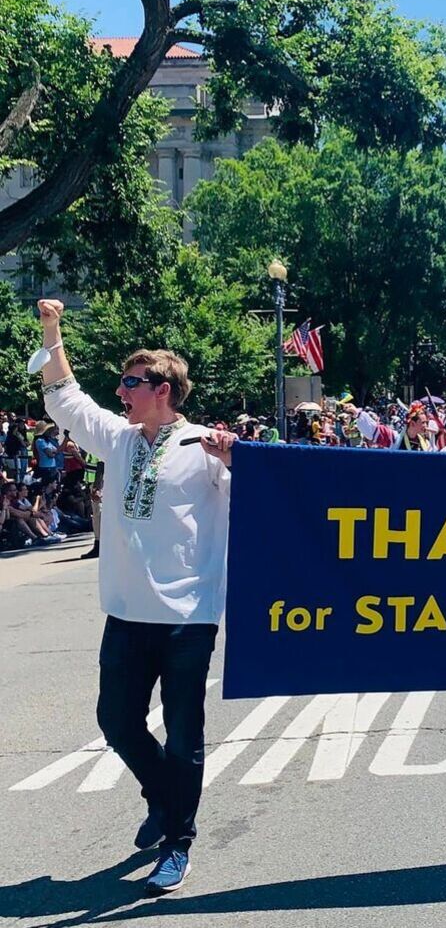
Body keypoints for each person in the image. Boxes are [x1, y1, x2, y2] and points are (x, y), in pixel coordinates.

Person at [34, 298, 237, 895]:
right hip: (125, 613)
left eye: (131, 381)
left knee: (183, 732)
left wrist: (236, 458)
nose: (120, 391)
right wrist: (53, 329)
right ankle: (163, 795)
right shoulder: (119, 440)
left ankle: (178, 841)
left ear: (164, 390)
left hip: (187, 617)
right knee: (116, 720)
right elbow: (65, 397)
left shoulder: (205, 444)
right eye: (122, 382)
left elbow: (266, 499)